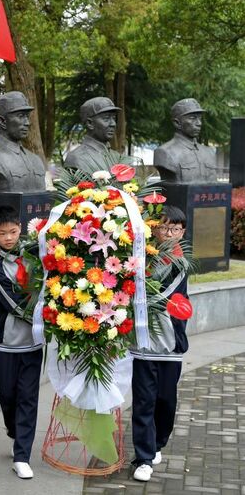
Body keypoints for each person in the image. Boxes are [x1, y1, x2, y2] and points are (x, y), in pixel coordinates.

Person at [129, 205, 189, 482]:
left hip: (169, 343)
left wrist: (140, 300)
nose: (169, 233)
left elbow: (166, 296)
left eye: (175, 229)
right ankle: (143, 457)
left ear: (182, 232)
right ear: (154, 228)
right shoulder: (139, 256)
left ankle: (158, 442)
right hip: (143, 343)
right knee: (143, 401)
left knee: (165, 400)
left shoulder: (182, 262)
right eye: (164, 227)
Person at [0, 205, 43, 479]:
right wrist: (43, 317)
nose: (8, 237)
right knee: (8, 396)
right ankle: (14, 430)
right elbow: (10, 302)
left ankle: (22, 455)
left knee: (29, 398)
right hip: (8, 343)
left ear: (20, 228)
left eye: (12, 231)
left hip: (33, 344)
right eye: (2, 233)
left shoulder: (35, 254)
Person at [0, 91, 45, 193]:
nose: (27, 123)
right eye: (20, 116)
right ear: (2, 121)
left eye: (27, 116)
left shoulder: (36, 160)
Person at [154, 98, 218, 184]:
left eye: (200, 118)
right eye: (192, 118)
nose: (199, 123)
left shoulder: (209, 152)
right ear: (177, 123)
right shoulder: (164, 152)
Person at [64, 97, 122, 173]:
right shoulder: (76, 158)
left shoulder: (117, 157)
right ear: (90, 123)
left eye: (114, 118)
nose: (113, 124)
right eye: (106, 118)